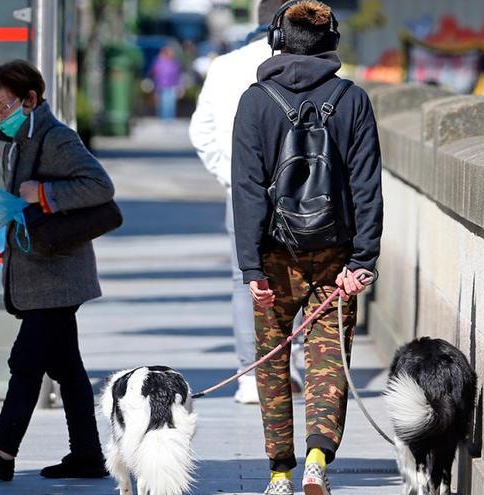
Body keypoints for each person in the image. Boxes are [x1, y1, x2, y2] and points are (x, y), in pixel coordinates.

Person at [230, 1, 383, 494]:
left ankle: (279, 472)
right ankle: (318, 457)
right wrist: (363, 260)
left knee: (273, 360)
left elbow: (248, 189)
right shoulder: (352, 100)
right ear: (331, 42)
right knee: (328, 361)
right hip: (336, 254)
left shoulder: (255, 101)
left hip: (275, 255)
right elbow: (366, 187)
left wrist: (251, 266)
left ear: (277, 39)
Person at [0, 60, 115, 482]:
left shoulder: (55, 137)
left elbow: (99, 186)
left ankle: (1, 452)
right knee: (66, 368)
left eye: (4, 106)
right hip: (40, 272)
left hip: (57, 274)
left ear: (31, 99)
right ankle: (87, 456)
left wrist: (44, 192)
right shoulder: (18, 143)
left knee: (25, 361)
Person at [189, 0, 305, 405]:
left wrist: (230, 177)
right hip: (297, 194)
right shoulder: (303, 64)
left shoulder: (224, 66)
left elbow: (200, 131)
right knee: (299, 276)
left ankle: (249, 376)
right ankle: (289, 367)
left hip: (238, 195)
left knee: (247, 284)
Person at [149, 46, 181, 121]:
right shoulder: (158, 61)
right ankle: (163, 118)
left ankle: (169, 119)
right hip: (161, 85)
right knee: (163, 103)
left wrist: (179, 85)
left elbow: (177, 74)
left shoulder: (174, 62)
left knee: (170, 103)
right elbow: (153, 71)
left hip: (171, 85)